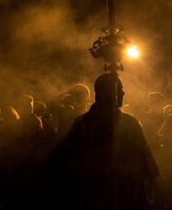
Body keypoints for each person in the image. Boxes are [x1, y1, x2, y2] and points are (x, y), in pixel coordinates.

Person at [57, 73, 159, 210]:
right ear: (106, 92)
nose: (123, 93)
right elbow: (68, 159)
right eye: (119, 89)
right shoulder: (84, 123)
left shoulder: (129, 123)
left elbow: (144, 160)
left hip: (124, 192)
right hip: (94, 193)